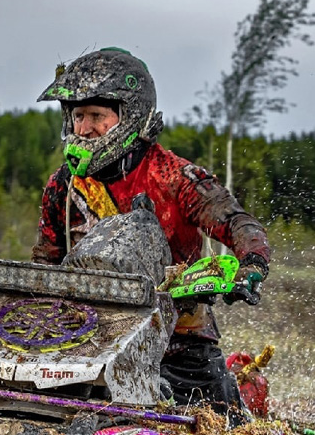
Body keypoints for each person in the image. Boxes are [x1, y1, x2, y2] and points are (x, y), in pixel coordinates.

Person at [31, 47, 271, 411]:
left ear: (129, 116)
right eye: (77, 116)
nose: (85, 128)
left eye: (97, 115)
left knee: (221, 421)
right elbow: (45, 263)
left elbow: (236, 221)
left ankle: (246, 399)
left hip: (178, 340)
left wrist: (251, 264)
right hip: (91, 336)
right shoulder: (64, 187)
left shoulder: (174, 176)